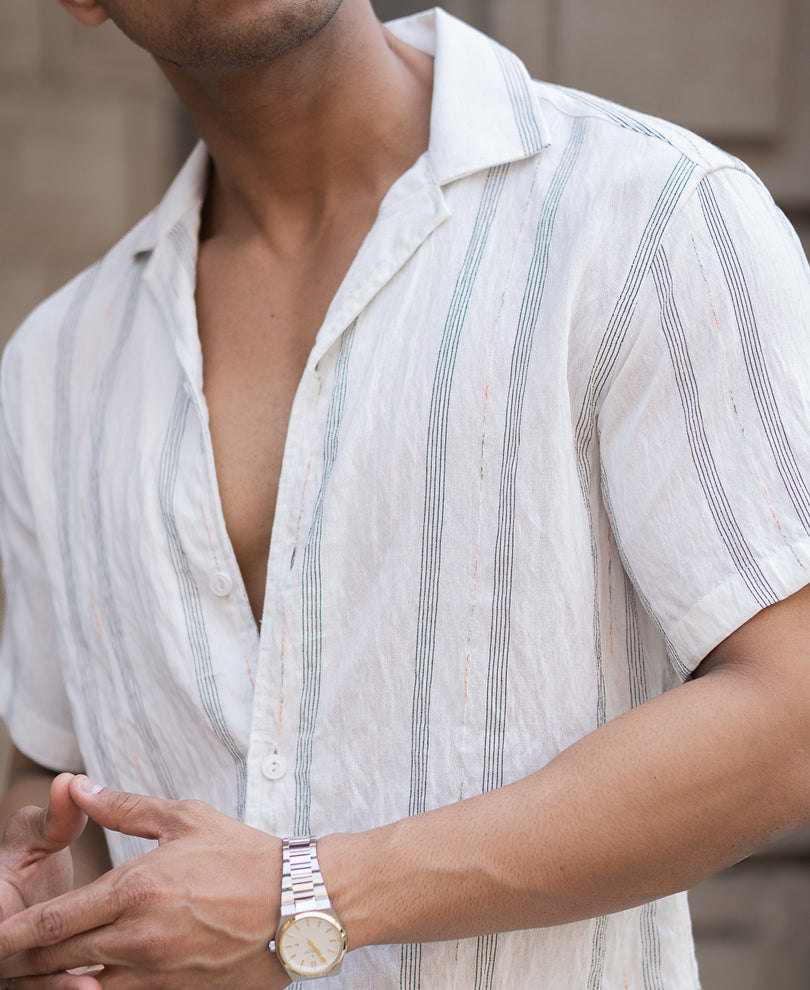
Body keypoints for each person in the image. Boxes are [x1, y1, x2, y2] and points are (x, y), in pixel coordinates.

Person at [0, 0, 808, 987]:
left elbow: (793, 710)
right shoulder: (54, 366)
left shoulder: (648, 212)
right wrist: (48, 892)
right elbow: (55, 767)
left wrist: (308, 895)